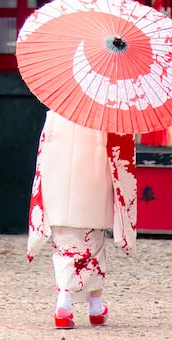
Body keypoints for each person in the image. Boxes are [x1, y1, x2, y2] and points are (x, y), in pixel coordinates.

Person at [27, 110, 137, 329]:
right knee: (93, 247)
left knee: (64, 249)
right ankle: (95, 306)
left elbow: (44, 151)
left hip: (57, 184)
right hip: (92, 185)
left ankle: (64, 302)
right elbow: (120, 153)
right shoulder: (107, 109)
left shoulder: (59, 108)